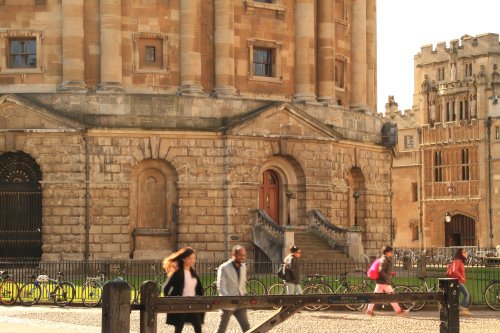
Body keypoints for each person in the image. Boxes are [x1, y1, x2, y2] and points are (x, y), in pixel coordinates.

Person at [162, 247, 204, 333]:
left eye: (194, 258)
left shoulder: (193, 272)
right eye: (190, 258)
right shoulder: (178, 273)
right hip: (181, 305)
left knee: (198, 327)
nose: (192, 260)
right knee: (178, 328)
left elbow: (200, 289)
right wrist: (171, 301)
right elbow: (166, 288)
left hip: (193, 305)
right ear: (184, 258)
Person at [215, 245, 250, 333]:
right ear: (233, 254)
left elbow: (242, 284)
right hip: (228, 304)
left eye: (244, 255)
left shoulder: (243, 267)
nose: (243, 257)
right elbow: (221, 285)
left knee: (247, 328)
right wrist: (227, 299)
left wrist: (244, 295)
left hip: (240, 303)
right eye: (240, 255)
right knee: (221, 329)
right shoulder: (224, 267)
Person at [366, 245, 408, 317]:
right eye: (391, 252)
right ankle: (398, 311)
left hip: (380, 281)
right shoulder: (384, 259)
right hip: (384, 282)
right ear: (387, 252)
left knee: (375, 296)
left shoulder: (385, 258)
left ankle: (369, 311)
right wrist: (387, 278)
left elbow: (384, 270)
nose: (392, 253)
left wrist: (390, 273)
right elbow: (381, 270)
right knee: (391, 296)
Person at [446, 248, 471, 315]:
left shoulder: (460, 261)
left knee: (457, 296)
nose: (466, 253)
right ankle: (462, 308)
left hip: (458, 281)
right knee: (466, 294)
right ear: (460, 254)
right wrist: (461, 277)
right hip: (457, 281)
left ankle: (458, 310)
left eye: (466, 251)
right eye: (464, 252)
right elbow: (454, 270)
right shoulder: (458, 261)